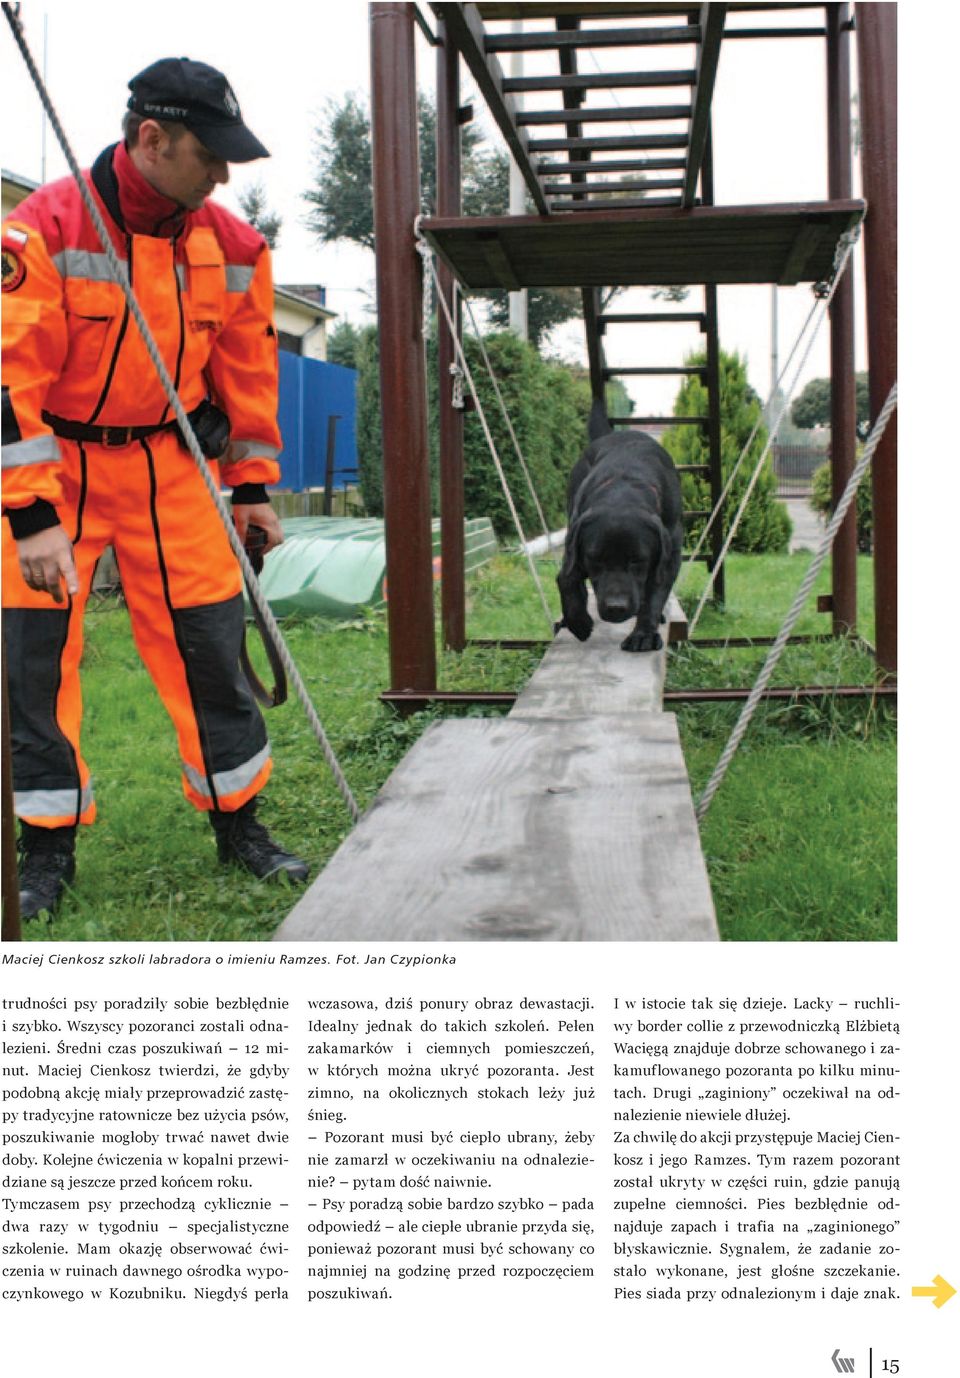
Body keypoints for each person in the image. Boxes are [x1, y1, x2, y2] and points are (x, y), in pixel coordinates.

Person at [2, 56, 309, 920]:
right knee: (32, 662)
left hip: (173, 465)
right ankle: (45, 848)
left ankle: (239, 821)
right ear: (150, 138)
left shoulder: (235, 247)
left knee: (209, 643)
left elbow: (248, 379)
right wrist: (28, 516)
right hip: (54, 467)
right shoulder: (43, 228)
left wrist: (251, 488)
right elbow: (4, 379)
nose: (220, 176)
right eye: (207, 156)